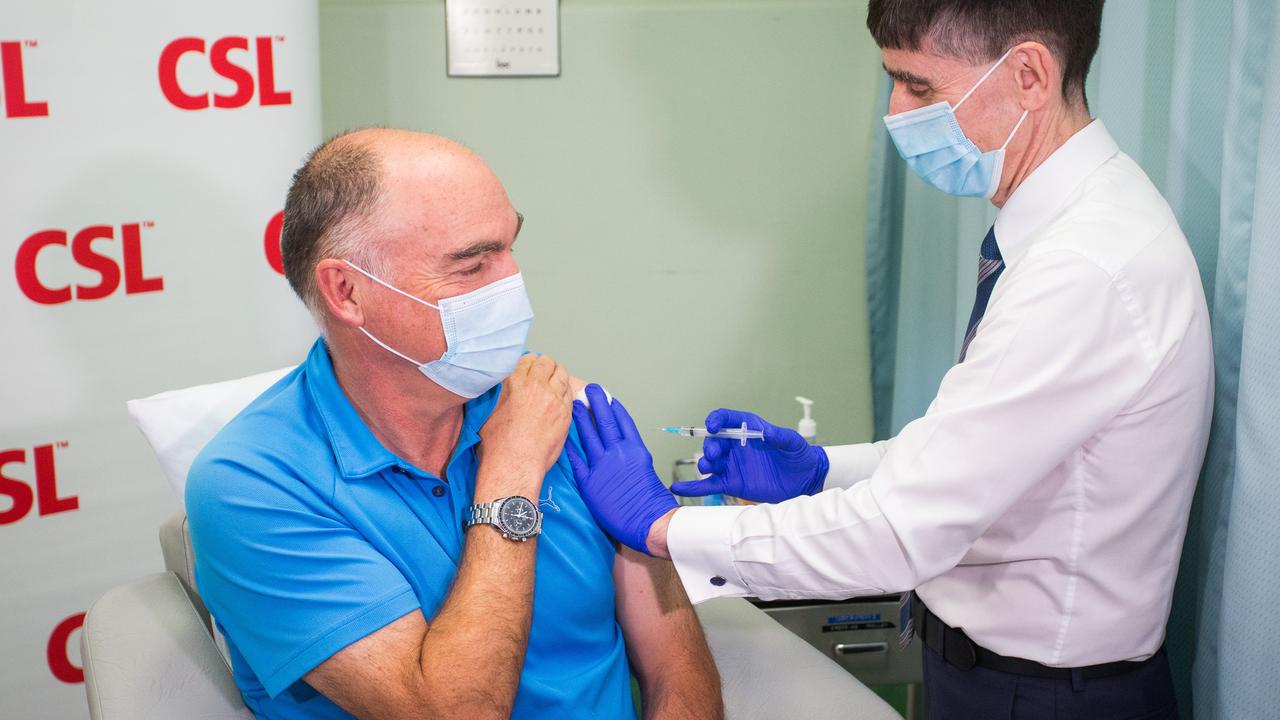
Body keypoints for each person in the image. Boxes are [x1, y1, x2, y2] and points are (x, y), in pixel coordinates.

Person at [567, 1, 1212, 718]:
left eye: (920, 87)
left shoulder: (1086, 268)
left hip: (1043, 696)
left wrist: (664, 527)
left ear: (1029, 73)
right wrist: (821, 472)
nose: (896, 112)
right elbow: (987, 454)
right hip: (997, 677)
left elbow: (903, 532)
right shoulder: (1066, 229)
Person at [185, 129, 722, 720]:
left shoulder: (557, 411)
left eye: (510, 250)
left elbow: (674, 663)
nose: (512, 287)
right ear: (347, 292)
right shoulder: (253, 484)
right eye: (472, 266)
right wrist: (513, 469)